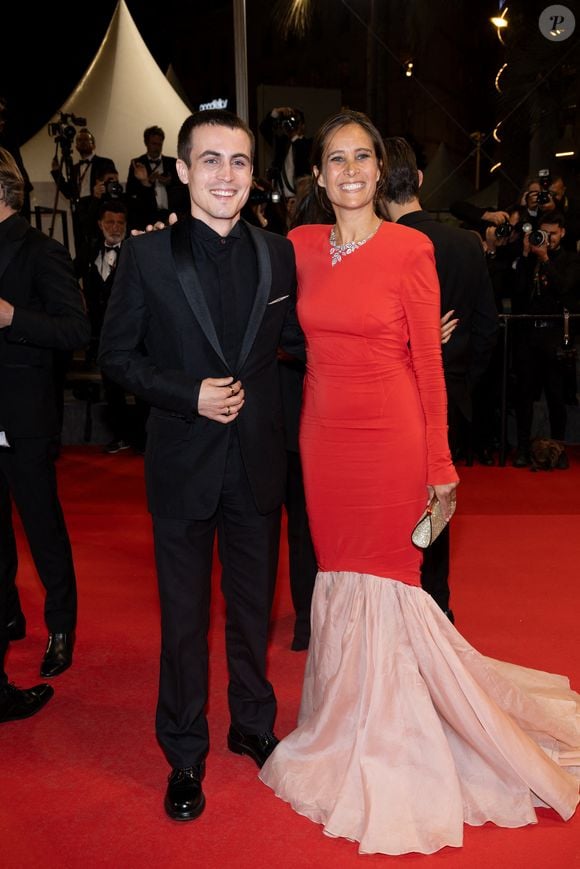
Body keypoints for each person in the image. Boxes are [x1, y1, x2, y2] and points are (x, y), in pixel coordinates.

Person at [258, 110, 580, 856]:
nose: (349, 171)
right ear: (317, 175)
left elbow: (428, 365)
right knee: (336, 575)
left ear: (381, 168)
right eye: (334, 159)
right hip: (324, 439)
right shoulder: (300, 247)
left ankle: (397, 736)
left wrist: (440, 467)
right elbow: (241, 276)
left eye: (361, 156)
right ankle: (341, 722)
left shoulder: (411, 249)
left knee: (396, 584)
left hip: (393, 437)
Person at [98, 109, 304, 822]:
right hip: (183, 467)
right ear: (182, 170)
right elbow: (115, 357)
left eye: (240, 161)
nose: (226, 174)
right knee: (184, 623)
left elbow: (305, 342)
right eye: (210, 160)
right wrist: (188, 395)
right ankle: (184, 750)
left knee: (253, 614)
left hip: (256, 465)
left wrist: (395, 330)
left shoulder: (278, 255)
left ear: (255, 173)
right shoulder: (148, 256)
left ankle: (252, 722)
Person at [383, 136, 498, 621]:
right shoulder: (464, 244)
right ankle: (435, 606)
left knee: (390, 506)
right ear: (422, 181)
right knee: (435, 505)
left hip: (388, 400)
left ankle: (397, 606)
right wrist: (461, 381)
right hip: (449, 394)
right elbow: (488, 330)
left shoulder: (380, 248)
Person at [0, 146, 90, 681]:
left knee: (41, 527)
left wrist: (14, 316)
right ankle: (8, 615)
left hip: (24, 415)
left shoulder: (41, 251)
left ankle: (61, 626)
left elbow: (76, 330)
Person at [511, 211, 580, 468]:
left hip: (554, 336)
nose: (546, 238)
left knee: (555, 396)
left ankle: (558, 450)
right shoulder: (529, 259)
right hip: (528, 335)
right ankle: (522, 448)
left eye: (552, 233)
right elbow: (517, 294)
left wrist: (546, 259)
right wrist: (527, 256)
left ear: (562, 232)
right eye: (543, 233)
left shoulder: (570, 260)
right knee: (524, 395)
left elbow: (564, 288)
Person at [50, 127, 117, 254]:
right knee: (81, 247)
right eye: (79, 140)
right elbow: (68, 192)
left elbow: (112, 188)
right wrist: (56, 172)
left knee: (99, 247)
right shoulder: (74, 168)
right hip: (80, 210)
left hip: (97, 207)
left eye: (86, 140)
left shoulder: (105, 163)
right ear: (75, 146)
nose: (82, 142)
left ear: (94, 144)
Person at [126, 125, 189, 231]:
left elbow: (183, 187)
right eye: (153, 144)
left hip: (170, 213)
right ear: (146, 143)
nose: (157, 148)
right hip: (147, 215)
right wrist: (147, 181)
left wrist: (168, 182)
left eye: (160, 144)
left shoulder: (172, 162)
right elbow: (130, 191)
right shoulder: (137, 164)